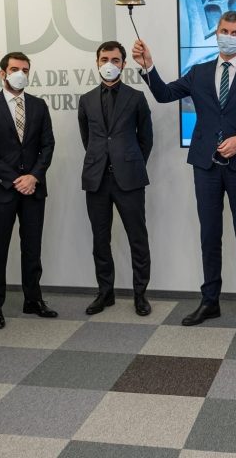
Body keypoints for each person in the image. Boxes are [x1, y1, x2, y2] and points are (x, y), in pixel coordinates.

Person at [132, 11, 236, 328]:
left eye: (235, 32)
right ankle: (210, 300)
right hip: (205, 165)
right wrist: (148, 66)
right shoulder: (198, 72)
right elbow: (164, 94)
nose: (228, 36)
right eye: (224, 30)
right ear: (216, 32)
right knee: (209, 235)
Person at [0, 51, 57, 329]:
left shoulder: (39, 105)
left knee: (32, 247)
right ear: (2, 73)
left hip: (34, 189)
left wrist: (33, 176)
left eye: (25, 69)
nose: (20, 74)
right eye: (14, 69)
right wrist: (15, 179)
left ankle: (33, 299)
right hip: (2, 190)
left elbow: (48, 145)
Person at [78, 41, 154, 316]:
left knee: (137, 238)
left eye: (115, 60)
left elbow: (146, 139)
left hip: (129, 179)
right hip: (96, 179)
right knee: (100, 239)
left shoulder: (136, 98)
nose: (109, 64)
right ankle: (105, 293)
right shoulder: (86, 100)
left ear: (123, 64)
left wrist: (129, 163)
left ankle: (140, 295)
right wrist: (102, 160)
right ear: (97, 62)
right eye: (104, 59)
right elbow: (87, 138)